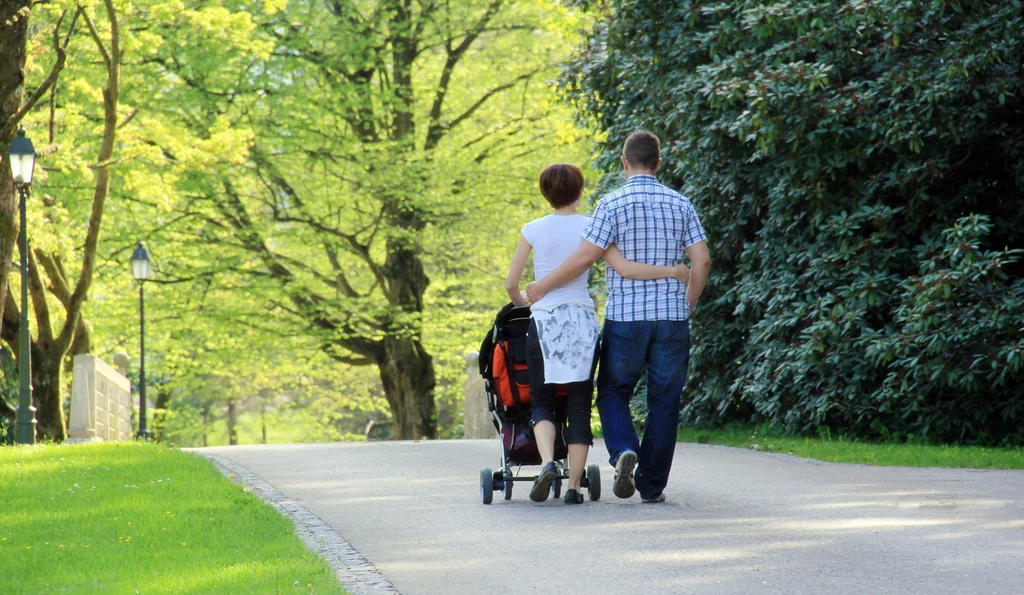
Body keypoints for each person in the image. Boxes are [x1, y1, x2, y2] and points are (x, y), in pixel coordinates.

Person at [526, 132, 711, 504]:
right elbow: (702, 260)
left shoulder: (610, 205)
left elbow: (584, 258)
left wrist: (542, 286)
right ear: (658, 163)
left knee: (612, 391)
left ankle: (624, 449)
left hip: (626, 317)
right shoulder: (681, 203)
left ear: (624, 162)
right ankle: (651, 486)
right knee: (664, 400)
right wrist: (688, 301)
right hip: (671, 318)